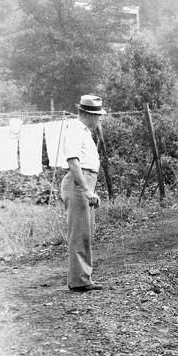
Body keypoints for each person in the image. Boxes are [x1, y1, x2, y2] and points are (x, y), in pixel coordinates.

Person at [61, 94, 105, 292]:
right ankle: (79, 281)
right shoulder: (74, 130)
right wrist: (87, 190)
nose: (99, 119)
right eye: (98, 116)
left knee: (85, 231)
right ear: (88, 114)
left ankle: (82, 278)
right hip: (78, 183)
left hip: (86, 181)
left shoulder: (85, 131)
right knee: (79, 232)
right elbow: (73, 162)